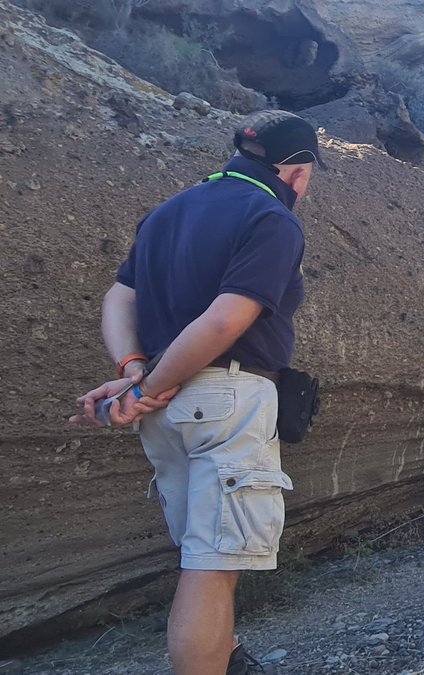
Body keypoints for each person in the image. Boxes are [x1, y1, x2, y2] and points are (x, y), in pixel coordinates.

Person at [69, 110, 324, 675]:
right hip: (225, 400)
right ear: (298, 168)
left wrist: (134, 370)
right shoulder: (272, 217)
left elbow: (119, 298)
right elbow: (224, 320)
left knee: (204, 553)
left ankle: (227, 658)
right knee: (212, 565)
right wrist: (148, 386)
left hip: (167, 416)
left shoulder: (167, 212)